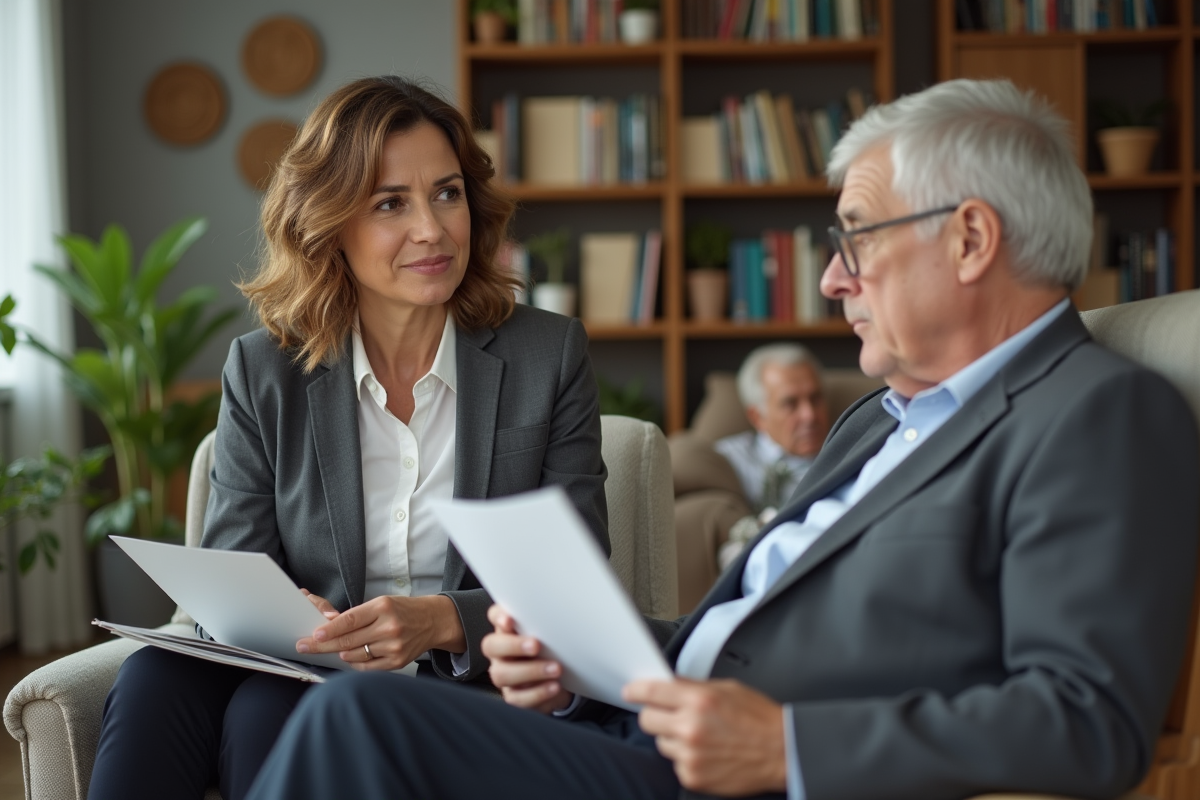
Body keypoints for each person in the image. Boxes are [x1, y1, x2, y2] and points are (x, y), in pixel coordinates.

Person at [246, 79, 1199, 800]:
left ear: (970, 240)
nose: (832, 280)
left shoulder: (1097, 414)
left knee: (356, 720)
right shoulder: (878, 420)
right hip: (645, 733)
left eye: (857, 236)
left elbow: (1091, 721)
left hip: (736, 779)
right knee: (311, 709)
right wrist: (580, 666)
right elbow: (729, 644)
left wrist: (786, 747)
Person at [87, 76, 609, 800]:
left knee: (274, 711)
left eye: (448, 193)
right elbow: (235, 559)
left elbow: (572, 581)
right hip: (309, 661)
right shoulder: (266, 368)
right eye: (391, 202)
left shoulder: (546, 357)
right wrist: (298, 614)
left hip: (464, 685)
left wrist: (438, 622)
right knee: (159, 675)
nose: (432, 228)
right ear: (329, 223)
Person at [714, 343, 830, 515]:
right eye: (790, 403)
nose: (809, 415)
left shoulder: (854, 451)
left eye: (815, 398)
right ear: (757, 417)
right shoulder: (730, 461)